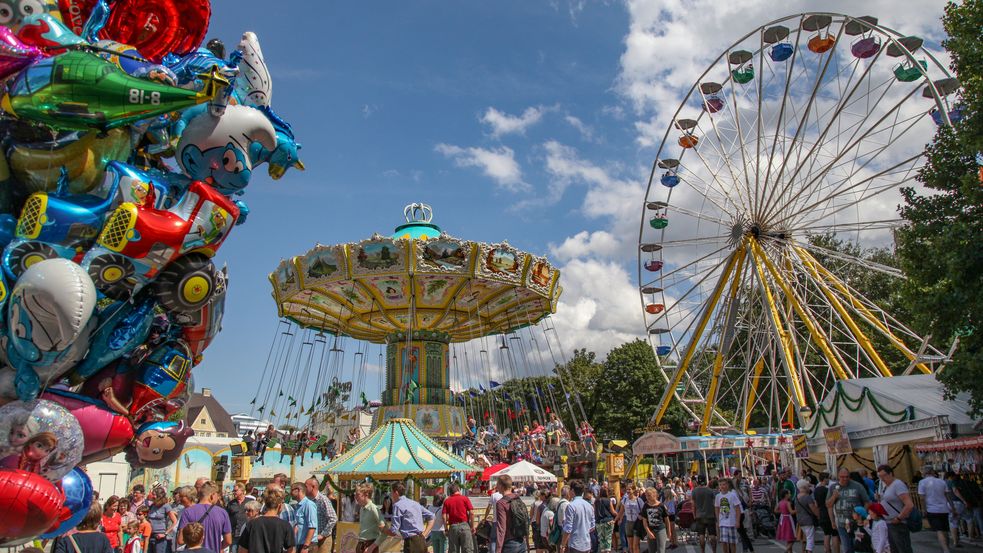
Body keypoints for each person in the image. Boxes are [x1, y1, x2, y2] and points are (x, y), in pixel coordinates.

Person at [178, 481, 233, 553]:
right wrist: (218, 547)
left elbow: (180, 540)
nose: (218, 498)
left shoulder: (188, 512)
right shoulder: (222, 513)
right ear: (212, 495)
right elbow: (228, 541)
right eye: (217, 495)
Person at [238, 487, 296, 553]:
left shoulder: (251, 524)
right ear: (279, 506)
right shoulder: (285, 525)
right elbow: (291, 550)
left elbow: (242, 550)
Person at [383, 481, 434, 553]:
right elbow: (432, 516)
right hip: (421, 540)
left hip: (411, 542)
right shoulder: (415, 503)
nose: (391, 495)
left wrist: (383, 530)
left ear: (396, 493)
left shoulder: (397, 505)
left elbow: (394, 530)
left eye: (392, 493)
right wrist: (424, 534)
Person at [826, 468, 869, 553]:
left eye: (847, 477)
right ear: (838, 477)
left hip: (856, 524)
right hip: (842, 523)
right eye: (842, 477)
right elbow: (828, 505)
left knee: (857, 547)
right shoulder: (833, 487)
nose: (845, 479)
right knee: (847, 549)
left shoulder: (857, 486)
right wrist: (834, 497)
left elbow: (867, 502)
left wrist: (863, 515)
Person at [875, 464, 913, 553]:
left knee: (903, 548)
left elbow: (909, 504)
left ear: (891, 473)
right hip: (889, 522)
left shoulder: (898, 484)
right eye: (880, 476)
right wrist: (880, 497)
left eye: (884, 475)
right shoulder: (887, 486)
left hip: (898, 523)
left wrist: (899, 518)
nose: (882, 478)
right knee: (895, 549)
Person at [918, 466, 952, 553]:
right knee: (945, 529)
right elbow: (948, 496)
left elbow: (922, 498)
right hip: (944, 508)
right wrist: (952, 507)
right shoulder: (941, 481)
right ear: (933, 472)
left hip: (932, 509)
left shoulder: (922, 482)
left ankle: (945, 549)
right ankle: (947, 547)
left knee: (939, 530)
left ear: (924, 473)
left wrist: (923, 509)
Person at [560, 480, 595, 553]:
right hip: (587, 544)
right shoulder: (589, 506)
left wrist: (562, 545)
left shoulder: (571, 506)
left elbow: (568, 528)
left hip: (575, 544)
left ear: (572, 490)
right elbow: (592, 527)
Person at [305, 478, 336, 553]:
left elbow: (333, 518)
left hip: (323, 540)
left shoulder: (323, 499)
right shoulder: (307, 500)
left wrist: (323, 534)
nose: (304, 488)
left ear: (313, 487)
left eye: (305, 486)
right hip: (311, 539)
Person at [443, 482, 475, 553]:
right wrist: (472, 526)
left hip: (453, 527)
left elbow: (444, 516)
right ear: (458, 489)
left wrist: (446, 529)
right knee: (468, 550)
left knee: (453, 550)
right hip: (465, 525)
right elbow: (472, 513)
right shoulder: (465, 498)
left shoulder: (447, 501)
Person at [639, 487, 670, 553]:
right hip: (650, 530)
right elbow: (644, 521)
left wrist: (669, 531)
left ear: (654, 495)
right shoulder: (645, 506)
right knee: (651, 551)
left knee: (661, 550)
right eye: (646, 496)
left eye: (649, 495)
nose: (647, 497)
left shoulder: (661, 505)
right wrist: (648, 532)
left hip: (660, 530)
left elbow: (667, 520)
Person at [290, 482, 319, 553]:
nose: (290, 493)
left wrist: (306, 546)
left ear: (298, 490)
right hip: (300, 544)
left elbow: (312, 527)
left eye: (292, 490)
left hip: (308, 545)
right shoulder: (298, 506)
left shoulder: (309, 505)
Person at [147, 488, 178, 553]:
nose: (152, 496)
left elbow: (175, 521)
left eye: (154, 494)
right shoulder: (152, 506)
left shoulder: (166, 506)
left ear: (159, 496)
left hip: (160, 538)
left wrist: (165, 533)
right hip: (150, 536)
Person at [354, 484, 382, 553]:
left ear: (366, 494)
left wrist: (372, 547)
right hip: (361, 544)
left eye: (358, 495)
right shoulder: (362, 508)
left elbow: (385, 532)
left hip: (370, 545)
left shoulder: (374, 509)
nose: (355, 497)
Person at [692, 477, 717, 553]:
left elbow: (693, 505)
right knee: (712, 535)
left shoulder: (694, 491)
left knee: (701, 535)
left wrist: (694, 515)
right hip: (710, 515)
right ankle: (714, 551)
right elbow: (714, 503)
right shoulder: (710, 491)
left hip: (699, 515)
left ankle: (702, 551)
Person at [715, 479, 741, 553]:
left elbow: (737, 509)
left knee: (732, 543)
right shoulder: (718, 496)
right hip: (722, 522)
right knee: (724, 542)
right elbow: (716, 508)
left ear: (727, 485)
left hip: (732, 522)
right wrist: (718, 520)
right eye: (720, 485)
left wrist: (737, 521)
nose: (722, 486)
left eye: (723, 484)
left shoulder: (732, 495)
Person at [794, 479, 819, 553]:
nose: (809, 488)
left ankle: (806, 550)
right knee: (810, 537)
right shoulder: (807, 497)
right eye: (808, 486)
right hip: (808, 519)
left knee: (807, 536)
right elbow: (813, 508)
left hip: (800, 520)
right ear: (804, 487)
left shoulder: (797, 497)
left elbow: (796, 509)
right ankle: (809, 551)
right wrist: (818, 515)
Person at [813, 473, 835, 553]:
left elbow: (816, 503)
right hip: (827, 512)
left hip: (821, 512)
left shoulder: (816, 490)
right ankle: (829, 550)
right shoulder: (827, 490)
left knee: (826, 533)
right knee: (831, 534)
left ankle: (827, 550)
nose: (828, 480)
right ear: (825, 479)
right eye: (828, 478)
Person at [228, 483, 250, 553]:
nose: (234, 492)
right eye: (233, 491)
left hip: (247, 533)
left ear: (242, 490)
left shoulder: (250, 502)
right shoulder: (231, 503)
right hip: (235, 534)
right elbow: (227, 517)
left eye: (236, 490)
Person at [594, 488, 616, 553]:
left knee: (601, 539)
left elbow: (594, 511)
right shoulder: (608, 500)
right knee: (608, 538)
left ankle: (603, 551)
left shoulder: (596, 501)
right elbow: (613, 511)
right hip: (608, 521)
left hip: (599, 522)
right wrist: (619, 515)